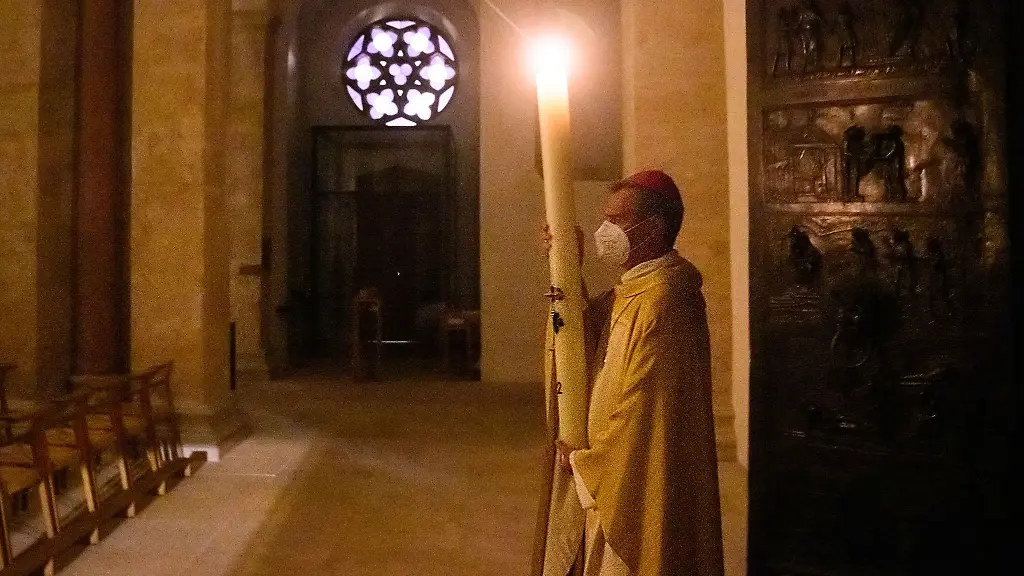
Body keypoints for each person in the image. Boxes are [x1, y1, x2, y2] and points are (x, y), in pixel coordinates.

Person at [551, 170, 723, 576]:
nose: (605, 230)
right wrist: (565, 268)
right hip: (606, 470)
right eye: (605, 218)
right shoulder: (633, 287)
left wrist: (587, 462)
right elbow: (578, 339)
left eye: (618, 220)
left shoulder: (668, 296)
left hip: (632, 475)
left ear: (655, 228)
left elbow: (643, 409)